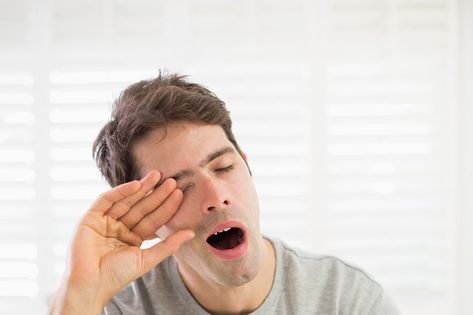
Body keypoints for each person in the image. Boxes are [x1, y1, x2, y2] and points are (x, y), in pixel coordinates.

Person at [48, 72, 400, 315]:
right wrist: (79, 298)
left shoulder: (345, 299)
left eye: (223, 168)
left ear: (247, 167)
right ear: (146, 216)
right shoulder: (117, 306)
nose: (216, 196)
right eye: (181, 187)